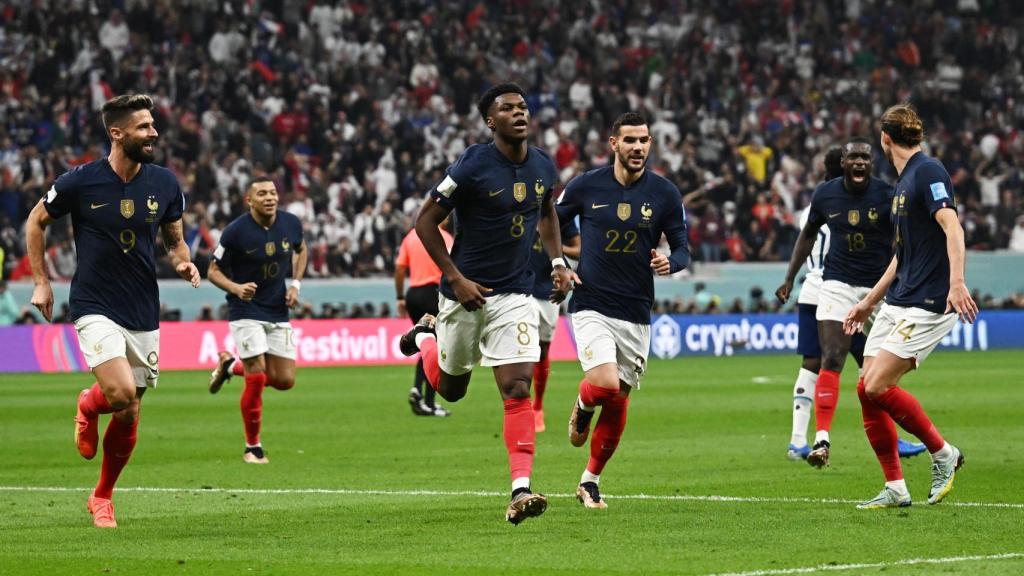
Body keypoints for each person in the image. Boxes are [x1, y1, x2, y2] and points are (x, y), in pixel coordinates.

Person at [397, 83, 572, 525]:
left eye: (523, 107)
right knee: (452, 389)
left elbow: (547, 212)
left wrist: (557, 261)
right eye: (507, 109)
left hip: (515, 294)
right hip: (463, 295)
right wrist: (455, 278)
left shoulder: (542, 166)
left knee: (517, 391)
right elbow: (425, 221)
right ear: (490, 121)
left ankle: (520, 490)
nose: (519, 113)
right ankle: (425, 337)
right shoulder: (474, 163)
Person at [26, 94, 200, 528]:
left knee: (129, 410)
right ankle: (87, 404)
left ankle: (102, 496)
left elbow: (174, 239)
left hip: (141, 305)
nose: (154, 132)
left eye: (153, 125)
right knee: (118, 393)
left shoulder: (164, 183)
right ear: (117, 133)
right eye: (143, 126)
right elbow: (35, 221)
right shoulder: (79, 182)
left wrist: (182, 260)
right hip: (93, 304)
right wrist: (42, 281)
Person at [843, 104, 977, 509]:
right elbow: (902, 256)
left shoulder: (929, 171)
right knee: (866, 389)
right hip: (899, 298)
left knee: (879, 384)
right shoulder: (903, 184)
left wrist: (956, 282)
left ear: (885, 139)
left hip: (930, 299)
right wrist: (868, 302)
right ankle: (896, 487)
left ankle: (943, 454)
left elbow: (951, 225)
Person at [556, 112, 690, 509]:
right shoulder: (585, 185)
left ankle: (590, 480)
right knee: (604, 385)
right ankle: (582, 404)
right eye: (630, 140)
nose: (638, 147)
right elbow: (549, 222)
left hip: (636, 310)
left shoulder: (665, 194)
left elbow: (682, 246)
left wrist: (672, 262)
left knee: (617, 401)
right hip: (591, 302)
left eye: (644, 140)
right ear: (613, 143)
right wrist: (559, 263)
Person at [776, 140, 925, 466]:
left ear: (871, 163)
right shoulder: (825, 196)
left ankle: (895, 441)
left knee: (875, 375)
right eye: (853, 157)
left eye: (864, 157)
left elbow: (906, 240)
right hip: (834, 284)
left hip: (876, 291)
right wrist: (789, 277)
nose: (859, 162)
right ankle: (820, 440)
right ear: (843, 163)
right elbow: (808, 235)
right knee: (829, 357)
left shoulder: (887, 195)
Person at [206, 177, 306, 464]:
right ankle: (253, 447)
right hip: (245, 309)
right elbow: (213, 270)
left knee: (285, 380)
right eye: (262, 193)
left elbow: (302, 250)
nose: (269, 197)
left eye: (273, 192)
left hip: (277, 308)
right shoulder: (235, 232)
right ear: (249, 200)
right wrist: (236, 289)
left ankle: (229, 365)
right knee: (258, 374)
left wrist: (296, 284)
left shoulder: (290, 224)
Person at [394, 219, 454, 417]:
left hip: (413, 295)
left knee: (424, 343)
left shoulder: (410, 237)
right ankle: (428, 400)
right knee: (435, 345)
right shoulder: (445, 237)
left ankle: (418, 391)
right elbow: (455, 267)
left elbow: (400, 268)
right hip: (434, 293)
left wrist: (400, 297)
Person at [529, 220, 580, 432]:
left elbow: (578, 250)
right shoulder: (519, 205)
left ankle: (538, 407)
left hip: (549, 292)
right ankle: (521, 408)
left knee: (542, 352)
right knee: (522, 351)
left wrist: (556, 249)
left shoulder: (559, 215)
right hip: (521, 289)